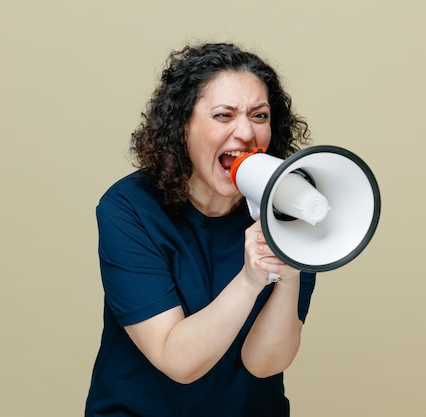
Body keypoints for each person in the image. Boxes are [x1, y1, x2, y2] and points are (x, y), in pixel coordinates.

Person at [85, 42, 316, 417]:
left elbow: (265, 363)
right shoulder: (129, 209)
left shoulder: (290, 208)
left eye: (259, 116)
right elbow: (177, 360)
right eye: (224, 116)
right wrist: (251, 279)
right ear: (182, 128)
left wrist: (287, 272)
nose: (245, 132)